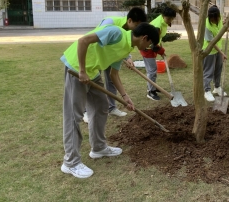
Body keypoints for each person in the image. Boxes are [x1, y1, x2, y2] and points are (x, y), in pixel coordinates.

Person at [60, 22, 159, 178]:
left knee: (101, 107)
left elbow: (114, 74)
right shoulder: (116, 33)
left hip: (92, 71)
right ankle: (70, 162)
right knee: (74, 116)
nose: (147, 48)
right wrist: (82, 70)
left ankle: (98, 148)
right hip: (77, 68)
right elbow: (83, 41)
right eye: (149, 45)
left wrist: (125, 97)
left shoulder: (127, 47)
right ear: (145, 38)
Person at [83, 7, 147, 122]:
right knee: (90, 81)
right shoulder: (110, 22)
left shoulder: (131, 31)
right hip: (98, 56)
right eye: (138, 25)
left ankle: (112, 107)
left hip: (112, 56)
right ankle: (86, 111)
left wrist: (128, 57)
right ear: (130, 21)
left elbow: (127, 43)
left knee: (112, 79)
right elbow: (97, 41)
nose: (139, 30)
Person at [140, 7, 176, 101]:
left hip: (151, 46)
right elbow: (152, 44)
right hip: (146, 47)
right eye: (168, 19)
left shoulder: (163, 22)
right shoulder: (158, 25)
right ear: (163, 16)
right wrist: (161, 51)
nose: (170, 21)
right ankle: (150, 92)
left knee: (152, 70)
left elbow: (158, 38)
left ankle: (153, 86)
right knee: (152, 70)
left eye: (172, 19)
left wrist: (160, 46)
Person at [203, 5, 228, 102]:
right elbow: (211, 42)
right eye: (212, 19)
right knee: (209, 71)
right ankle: (207, 91)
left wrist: (225, 25)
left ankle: (217, 87)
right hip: (209, 50)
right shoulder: (206, 25)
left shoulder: (219, 18)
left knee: (218, 69)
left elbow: (220, 27)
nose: (214, 21)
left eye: (216, 19)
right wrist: (222, 53)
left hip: (218, 49)